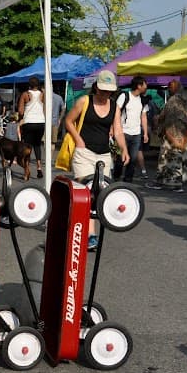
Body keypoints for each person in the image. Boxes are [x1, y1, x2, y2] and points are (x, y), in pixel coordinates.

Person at [64, 70, 129, 251]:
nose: (105, 94)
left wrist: (123, 149)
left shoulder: (114, 106)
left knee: (100, 193)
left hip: (104, 155)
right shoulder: (84, 101)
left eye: (109, 91)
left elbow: (118, 130)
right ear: (96, 87)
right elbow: (68, 121)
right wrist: (78, 140)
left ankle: (78, 225)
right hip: (84, 153)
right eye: (102, 90)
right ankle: (89, 234)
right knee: (86, 193)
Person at [147, 80, 187, 192]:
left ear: (174, 88)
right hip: (181, 134)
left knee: (167, 159)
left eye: (170, 87)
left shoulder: (172, 101)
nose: (168, 89)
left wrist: (165, 132)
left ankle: (165, 183)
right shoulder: (183, 101)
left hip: (172, 134)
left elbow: (168, 120)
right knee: (178, 158)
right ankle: (177, 183)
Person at [114, 76, 148, 183]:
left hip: (136, 134)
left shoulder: (143, 100)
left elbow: (143, 116)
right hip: (123, 132)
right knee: (121, 158)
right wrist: (113, 128)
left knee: (133, 159)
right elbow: (116, 112)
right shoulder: (124, 96)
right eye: (145, 85)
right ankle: (116, 177)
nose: (146, 87)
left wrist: (145, 133)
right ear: (139, 86)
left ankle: (128, 180)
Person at [18, 76, 47, 178]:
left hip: (29, 122)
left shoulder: (25, 94)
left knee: (27, 147)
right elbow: (45, 108)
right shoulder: (43, 95)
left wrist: (20, 118)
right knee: (37, 145)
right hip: (40, 122)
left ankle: (27, 170)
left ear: (29, 84)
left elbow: (20, 111)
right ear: (38, 85)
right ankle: (39, 168)